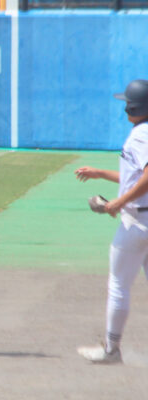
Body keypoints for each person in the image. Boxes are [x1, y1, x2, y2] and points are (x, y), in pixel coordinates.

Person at [75, 79, 148, 364]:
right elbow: (134, 177)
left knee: (118, 286)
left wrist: (118, 202)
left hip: (136, 224)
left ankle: (111, 350)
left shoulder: (141, 135)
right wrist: (101, 173)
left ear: (133, 107)